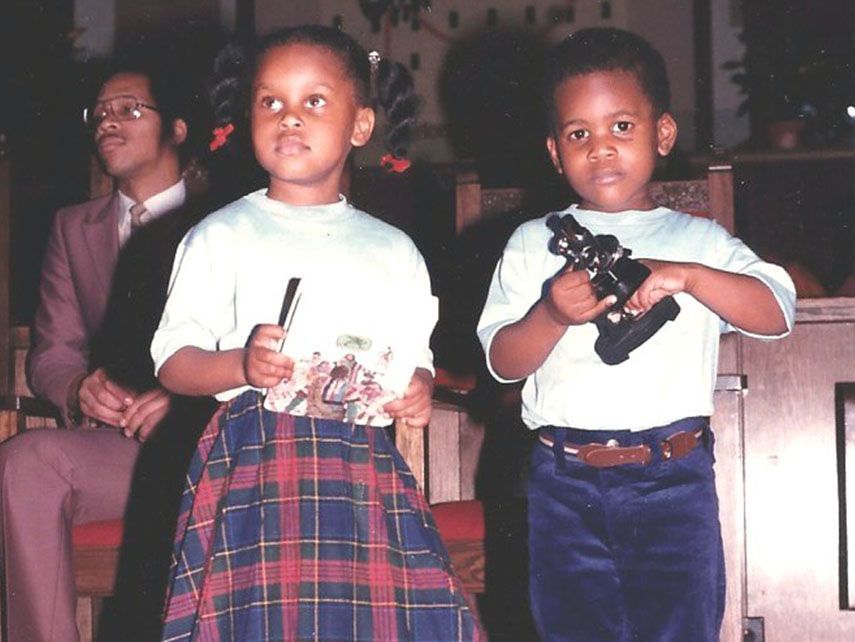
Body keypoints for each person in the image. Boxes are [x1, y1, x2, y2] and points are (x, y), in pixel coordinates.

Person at [151, 25, 483, 641]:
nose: (289, 117)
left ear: (360, 125)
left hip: (360, 470)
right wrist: (238, 366)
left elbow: (413, 360)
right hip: (256, 463)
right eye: (270, 101)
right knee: (262, 619)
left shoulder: (393, 249)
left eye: (314, 101)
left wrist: (416, 386)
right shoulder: (220, 234)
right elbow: (173, 360)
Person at [477, 28, 796, 642]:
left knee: (680, 629)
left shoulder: (699, 240)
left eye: (621, 127)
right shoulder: (533, 242)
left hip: (672, 477)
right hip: (563, 480)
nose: (601, 149)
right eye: (579, 134)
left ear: (663, 134)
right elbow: (502, 361)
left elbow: (778, 312)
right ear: (555, 152)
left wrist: (690, 276)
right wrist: (551, 314)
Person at [0, 58, 212, 642]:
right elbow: (52, 353)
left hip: (210, 448)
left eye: (128, 110)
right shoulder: (74, 228)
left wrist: (187, 401)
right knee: (25, 462)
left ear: (177, 128)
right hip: (120, 452)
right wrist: (78, 388)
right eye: (98, 115)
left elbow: (260, 348)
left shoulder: (225, 220)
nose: (106, 124)